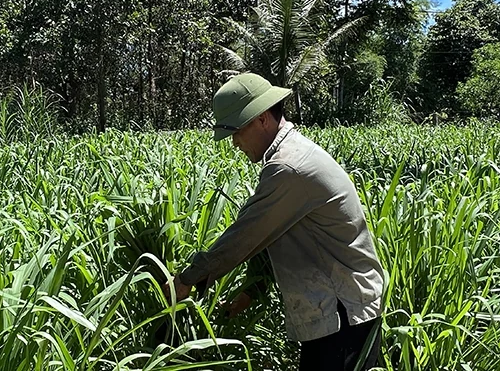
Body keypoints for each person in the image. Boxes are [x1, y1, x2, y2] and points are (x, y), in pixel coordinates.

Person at [162, 72, 385, 371]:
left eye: (237, 131)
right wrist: (251, 291)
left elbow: (246, 235)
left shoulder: (289, 166)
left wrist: (188, 279)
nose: (235, 143)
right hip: (340, 311)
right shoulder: (289, 155)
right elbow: (275, 235)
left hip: (342, 314)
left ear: (263, 118)